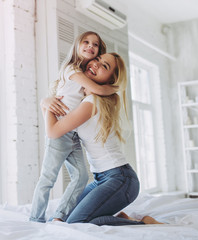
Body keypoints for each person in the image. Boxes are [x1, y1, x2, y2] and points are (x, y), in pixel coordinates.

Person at [42, 52, 162, 226]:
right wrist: (47, 102)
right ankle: (121, 219)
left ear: (110, 79)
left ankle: (144, 223)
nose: (96, 64)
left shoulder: (92, 102)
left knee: (77, 221)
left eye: (104, 66)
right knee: (65, 216)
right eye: (97, 59)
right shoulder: (90, 99)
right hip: (101, 178)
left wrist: (44, 104)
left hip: (121, 179)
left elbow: (53, 132)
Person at [29, 31, 117, 223]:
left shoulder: (87, 76)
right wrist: (116, 88)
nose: (90, 47)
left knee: (81, 177)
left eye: (95, 45)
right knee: (48, 178)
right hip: (59, 132)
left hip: (73, 135)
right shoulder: (72, 70)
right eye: (86, 42)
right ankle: (35, 219)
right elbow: (100, 90)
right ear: (77, 45)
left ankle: (59, 216)